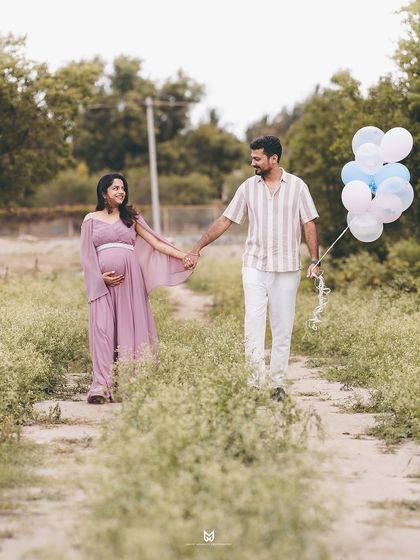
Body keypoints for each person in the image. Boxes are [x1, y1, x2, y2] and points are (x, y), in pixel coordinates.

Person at [184, 136, 320, 400]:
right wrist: (197, 247)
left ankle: (277, 385)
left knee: (282, 327)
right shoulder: (248, 188)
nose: (252, 163)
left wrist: (314, 261)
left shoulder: (298, 187)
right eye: (252, 158)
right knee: (253, 324)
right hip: (255, 266)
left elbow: (309, 224)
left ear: (274, 159)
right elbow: (225, 220)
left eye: (257, 158)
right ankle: (254, 384)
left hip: (287, 268)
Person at [80, 172, 193, 404]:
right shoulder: (90, 219)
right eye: (115, 188)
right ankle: (101, 386)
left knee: (128, 329)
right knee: (102, 331)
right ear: (104, 193)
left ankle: (131, 382)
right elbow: (86, 256)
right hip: (101, 285)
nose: (121, 191)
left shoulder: (130, 218)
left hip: (130, 282)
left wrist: (183, 256)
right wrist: (99, 278)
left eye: (123, 188)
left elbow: (156, 242)